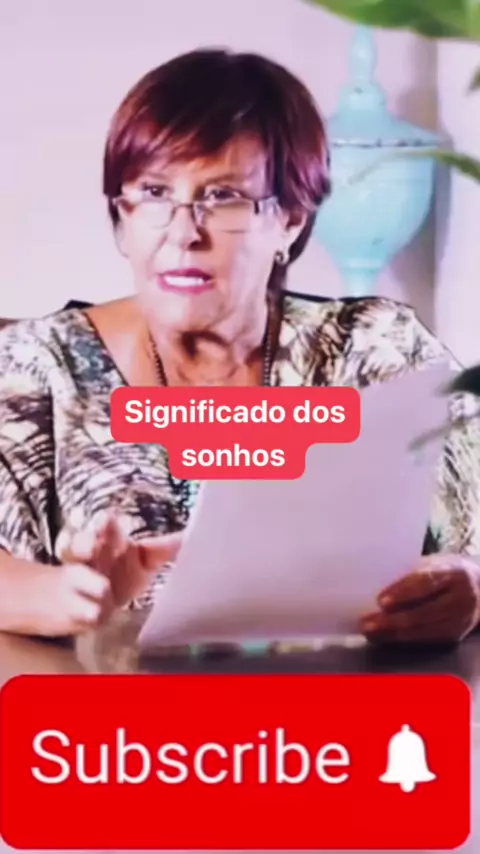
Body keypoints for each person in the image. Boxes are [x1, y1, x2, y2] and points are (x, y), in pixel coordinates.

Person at [0, 48, 479, 645]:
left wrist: (467, 583)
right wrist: (66, 596)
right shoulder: (38, 367)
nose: (183, 232)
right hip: (105, 704)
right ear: (122, 214)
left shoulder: (375, 350)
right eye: (154, 192)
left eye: (222, 196)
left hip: (333, 701)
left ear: (291, 220)